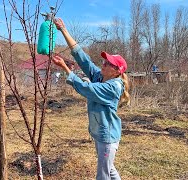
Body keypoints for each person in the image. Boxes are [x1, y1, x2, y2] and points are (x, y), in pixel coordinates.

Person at [52, 17, 130, 180]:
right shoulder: (100, 76)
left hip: (107, 137)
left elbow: (87, 89)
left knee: (103, 174)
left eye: (108, 63)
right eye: (104, 61)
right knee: (109, 169)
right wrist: (63, 30)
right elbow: (83, 58)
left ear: (117, 71)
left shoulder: (113, 87)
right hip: (99, 133)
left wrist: (66, 69)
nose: (103, 64)